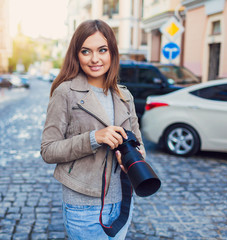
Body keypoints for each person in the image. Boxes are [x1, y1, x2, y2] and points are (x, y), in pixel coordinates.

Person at [41, 19, 146, 240]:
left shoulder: (124, 96)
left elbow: (139, 143)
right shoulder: (65, 92)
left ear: (112, 53)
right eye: (86, 51)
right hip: (83, 205)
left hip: (122, 201)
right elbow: (48, 150)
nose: (95, 59)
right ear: (76, 55)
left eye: (102, 50)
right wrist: (93, 138)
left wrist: (137, 156)